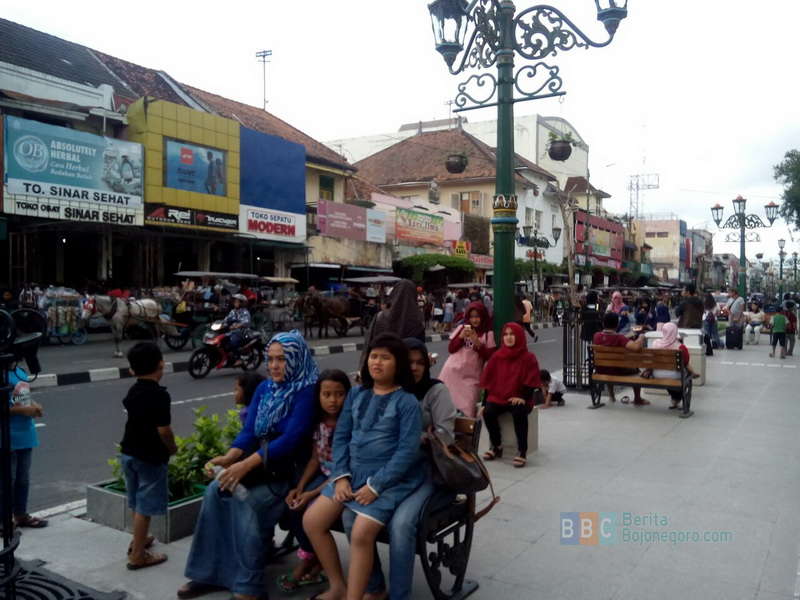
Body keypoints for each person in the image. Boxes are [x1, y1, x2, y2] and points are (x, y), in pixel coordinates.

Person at [178, 331, 318, 600]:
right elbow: (250, 431)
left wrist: (244, 465)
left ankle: (248, 585)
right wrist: (230, 458)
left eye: (282, 360)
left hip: (290, 474)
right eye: (271, 359)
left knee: (247, 503)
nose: (275, 366)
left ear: (297, 359)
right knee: (213, 493)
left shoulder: (306, 392)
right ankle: (207, 574)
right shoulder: (266, 389)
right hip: (258, 467)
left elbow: (291, 440)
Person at [303, 334, 424, 600]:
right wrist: (342, 477)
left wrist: (376, 486)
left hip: (389, 480)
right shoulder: (356, 394)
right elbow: (342, 437)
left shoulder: (407, 403)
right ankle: (338, 585)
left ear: (398, 364)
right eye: (373, 356)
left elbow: (406, 453)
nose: (377, 362)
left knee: (360, 532)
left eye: (385, 357)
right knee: (312, 520)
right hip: (351, 474)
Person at [343, 338, 456, 600]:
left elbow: (446, 435)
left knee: (402, 524)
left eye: (420, 362)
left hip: (425, 473)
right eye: (410, 362)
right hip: (387, 473)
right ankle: (374, 586)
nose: (415, 368)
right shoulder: (384, 390)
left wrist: (416, 438)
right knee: (350, 518)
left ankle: (400, 595)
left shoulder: (435, 391)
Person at [278, 369, 351, 594]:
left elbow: (342, 471)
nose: (333, 400)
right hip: (322, 474)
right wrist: (300, 486)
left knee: (308, 507)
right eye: (327, 394)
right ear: (318, 396)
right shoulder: (318, 422)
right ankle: (313, 557)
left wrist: (311, 493)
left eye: (339, 394)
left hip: (342, 478)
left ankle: (311, 560)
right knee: (292, 504)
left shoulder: (348, 424)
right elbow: (314, 458)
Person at [120, 342, 177, 570]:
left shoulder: (133, 390)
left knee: (136, 500)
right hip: (150, 457)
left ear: (132, 370)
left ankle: (139, 539)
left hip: (128, 453)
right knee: (145, 506)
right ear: (161, 365)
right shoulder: (160, 396)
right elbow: (164, 430)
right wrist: (172, 447)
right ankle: (138, 556)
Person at [480, 323, 541, 468]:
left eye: (512, 334)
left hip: (521, 397)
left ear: (519, 336)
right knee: (488, 412)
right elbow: (490, 382)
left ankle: (522, 451)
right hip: (499, 397)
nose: (509, 337)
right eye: (506, 334)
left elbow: (531, 382)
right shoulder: (497, 356)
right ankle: (496, 446)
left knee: (519, 411)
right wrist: (483, 403)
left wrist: (523, 397)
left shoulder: (528, 358)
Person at [4, 365, 47, 531]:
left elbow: (23, 397)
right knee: (7, 481)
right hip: (7, 436)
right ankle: (4, 521)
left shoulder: (19, 371)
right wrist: (24, 410)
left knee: (22, 480)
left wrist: (35, 406)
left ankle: (20, 515)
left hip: (26, 434)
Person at [439, 301, 496, 417]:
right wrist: (460, 337)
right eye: (472, 317)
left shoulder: (488, 334)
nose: (474, 320)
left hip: (471, 377)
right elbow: (451, 349)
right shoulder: (462, 328)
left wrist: (477, 343)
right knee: (446, 407)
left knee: (468, 409)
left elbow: (489, 356)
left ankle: (464, 435)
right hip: (452, 372)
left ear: (483, 316)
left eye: (477, 316)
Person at [593, 312, 647, 405]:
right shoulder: (620, 338)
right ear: (617, 324)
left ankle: (611, 396)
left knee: (609, 364)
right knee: (636, 370)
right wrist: (641, 338)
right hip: (618, 371)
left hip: (601, 369)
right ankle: (637, 398)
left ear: (603, 323)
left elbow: (609, 339)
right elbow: (636, 347)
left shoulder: (597, 336)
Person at [363, 280, 425, 353]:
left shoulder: (380, 317)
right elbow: (419, 350)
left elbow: (369, 345)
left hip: (384, 361)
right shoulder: (418, 320)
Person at [650, 323, 695, 409]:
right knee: (683, 376)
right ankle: (677, 399)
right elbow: (686, 362)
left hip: (657, 374)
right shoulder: (680, 347)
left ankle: (675, 399)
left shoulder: (655, 343)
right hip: (675, 375)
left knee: (668, 378)